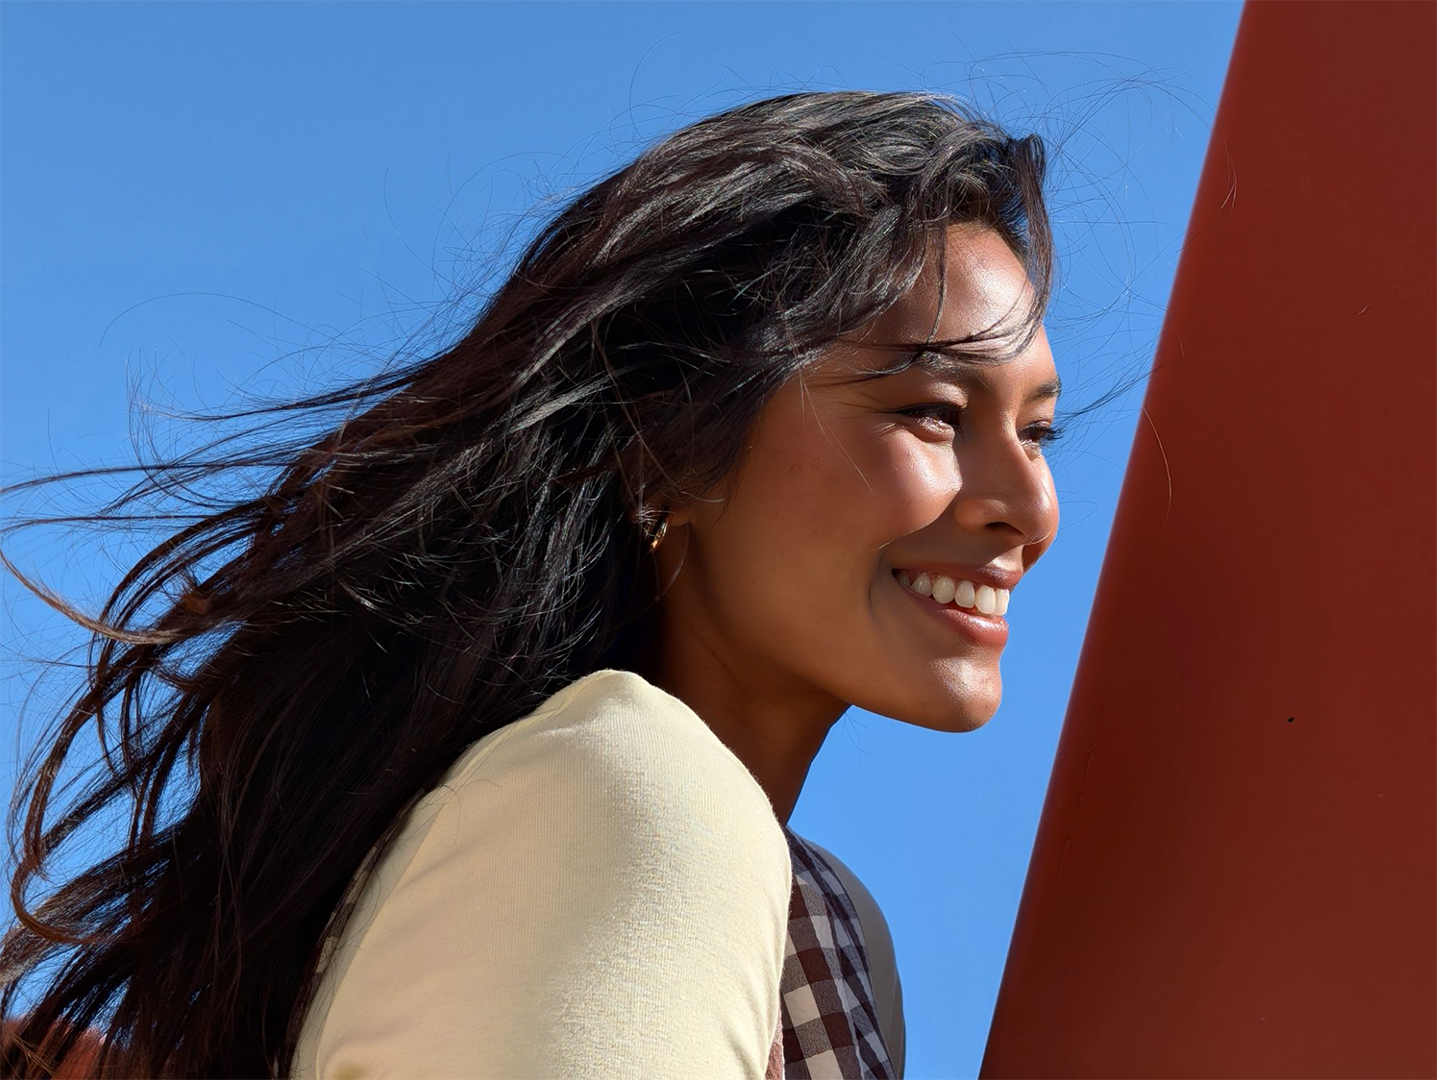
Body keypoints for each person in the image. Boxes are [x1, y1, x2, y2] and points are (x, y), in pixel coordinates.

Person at [0, 88, 1063, 1079]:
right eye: (931, 409)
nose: (1029, 505)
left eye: (1038, 431)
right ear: (668, 451)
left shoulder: (825, 921)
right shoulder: (632, 801)